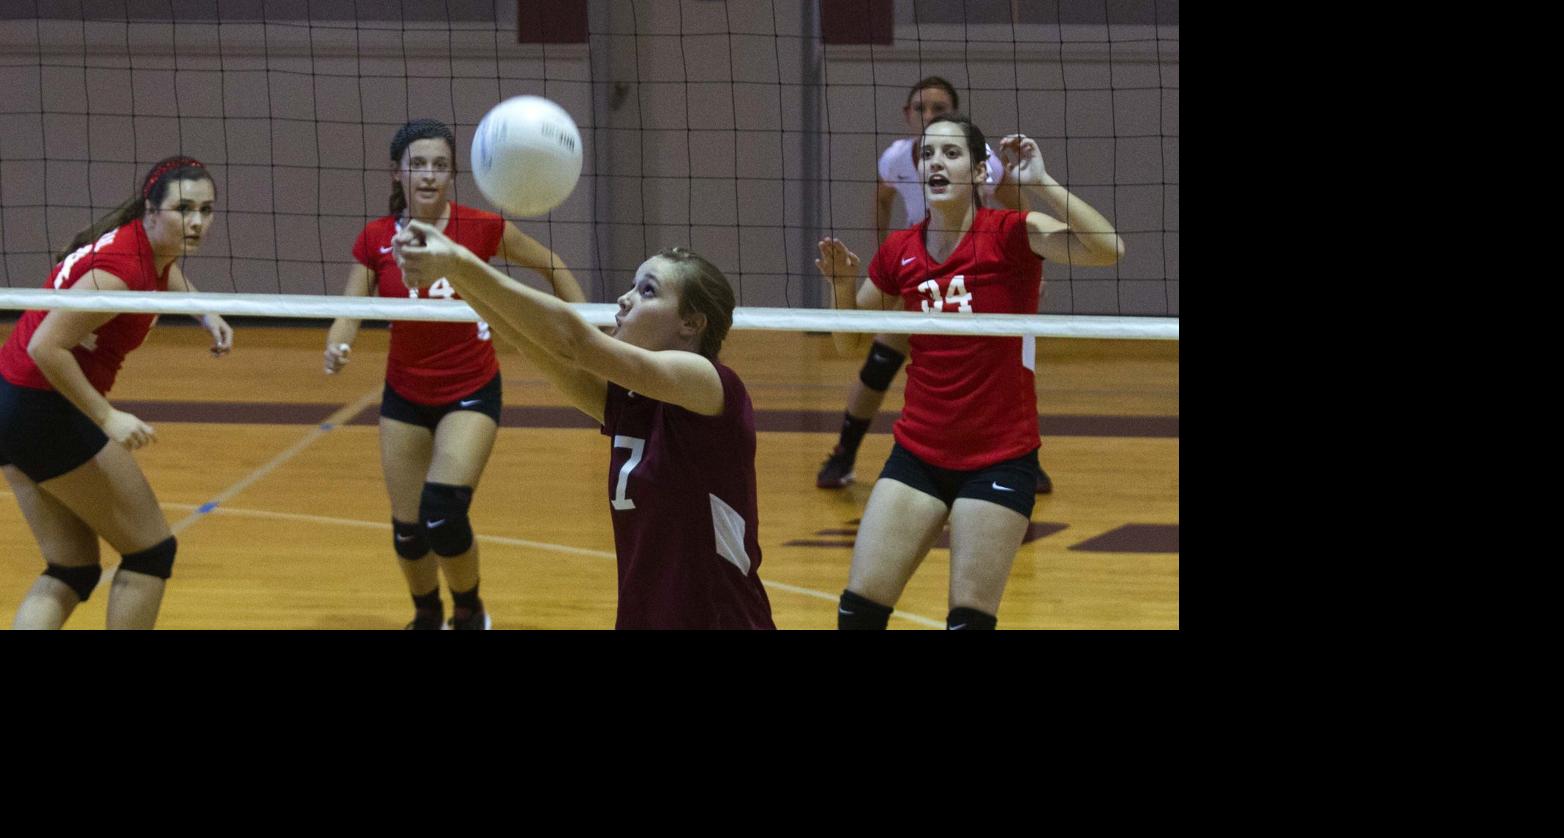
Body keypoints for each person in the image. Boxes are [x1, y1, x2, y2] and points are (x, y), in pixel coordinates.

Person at [816, 116, 1123, 629]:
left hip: (999, 460)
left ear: (981, 172)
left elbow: (1108, 249)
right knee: (858, 611)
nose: (935, 161)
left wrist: (1039, 183)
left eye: (951, 153)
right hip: (918, 453)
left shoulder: (1011, 235)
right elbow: (848, 340)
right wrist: (842, 285)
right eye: (928, 153)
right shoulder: (900, 252)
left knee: (968, 621)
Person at [391, 222, 775, 630]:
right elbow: (533, 342)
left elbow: (574, 344)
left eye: (647, 291)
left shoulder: (710, 383)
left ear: (691, 324)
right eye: (632, 286)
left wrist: (461, 260)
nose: (625, 300)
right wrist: (453, 274)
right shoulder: (634, 401)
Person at [322, 118, 587, 630]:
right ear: (397, 173)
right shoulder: (377, 238)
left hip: (470, 391)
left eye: (439, 166)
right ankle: (426, 614)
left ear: (452, 175)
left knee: (442, 511)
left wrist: (587, 323)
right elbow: (348, 307)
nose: (428, 175)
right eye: (417, 164)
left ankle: (469, 611)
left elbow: (550, 263)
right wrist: (339, 341)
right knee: (408, 530)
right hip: (404, 394)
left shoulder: (480, 227)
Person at [0, 155, 234, 629]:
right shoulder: (120, 269)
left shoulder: (146, 250)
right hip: (41, 406)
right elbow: (48, 347)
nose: (196, 221)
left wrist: (204, 312)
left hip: (13, 404)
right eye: (184, 209)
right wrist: (107, 417)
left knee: (73, 568)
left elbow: (165, 270)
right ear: (151, 211)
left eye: (206, 210)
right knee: (151, 553)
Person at [815, 76, 1053, 494]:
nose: (928, 115)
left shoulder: (980, 161)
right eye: (920, 108)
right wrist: (886, 254)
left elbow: (1018, 205)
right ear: (907, 116)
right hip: (916, 273)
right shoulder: (895, 158)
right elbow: (883, 198)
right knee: (878, 366)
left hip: (970, 272)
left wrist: (1033, 265)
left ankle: (1019, 459)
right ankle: (844, 455)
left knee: (1005, 363)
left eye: (939, 109)